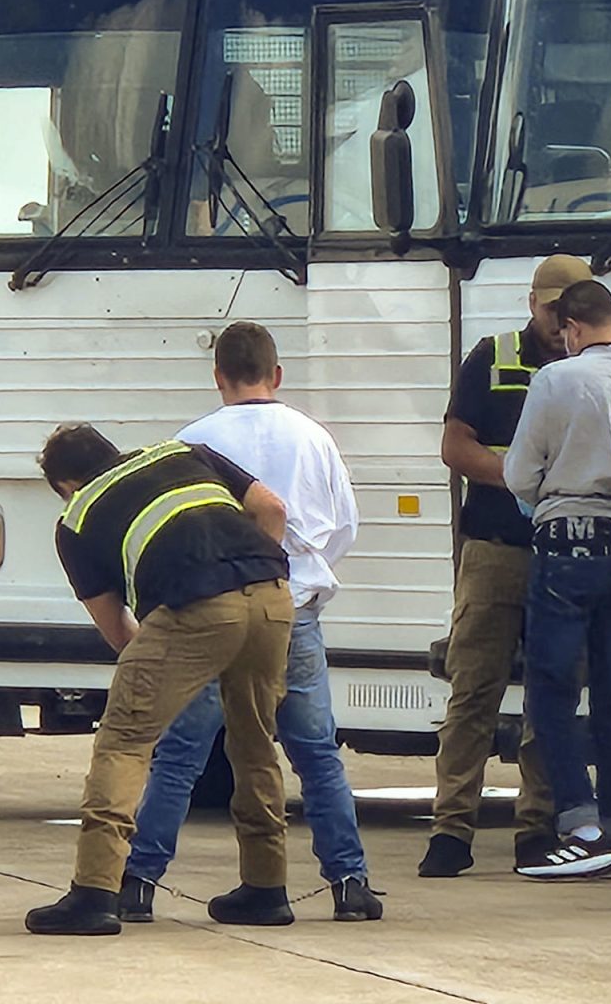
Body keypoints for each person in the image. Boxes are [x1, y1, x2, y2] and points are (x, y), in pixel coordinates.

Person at [116, 322, 381, 924]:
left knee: (182, 751)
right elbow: (344, 526)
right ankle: (350, 884)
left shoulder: (193, 442)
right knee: (315, 752)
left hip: (212, 614)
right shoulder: (313, 438)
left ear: (218, 378)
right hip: (293, 612)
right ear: (277, 374)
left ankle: (139, 883)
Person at [25, 426, 293, 935]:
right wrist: (246, 579)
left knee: (125, 741)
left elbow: (118, 632)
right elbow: (272, 510)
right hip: (272, 593)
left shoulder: (76, 518)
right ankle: (265, 888)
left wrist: (168, 662)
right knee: (255, 743)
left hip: (195, 604)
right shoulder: (183, 453)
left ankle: (95, 892)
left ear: (65, 485)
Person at [419, 255, 591, 878]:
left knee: (552, 696)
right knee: (473, 692)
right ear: (531, 304)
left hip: (563, 556)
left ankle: (535, 829)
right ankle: (450, 830)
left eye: (571, 311)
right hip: (494, 550)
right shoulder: (492, 358)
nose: (559, 322)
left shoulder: (591, 368)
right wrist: (520, 480)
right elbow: (454, 444)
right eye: (552, 309)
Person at [503, 280, 611, 879]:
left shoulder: (554, 380)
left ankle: (580, 826)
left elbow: (521, 473)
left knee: (552, 691)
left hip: (567, 544)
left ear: (573, 328)